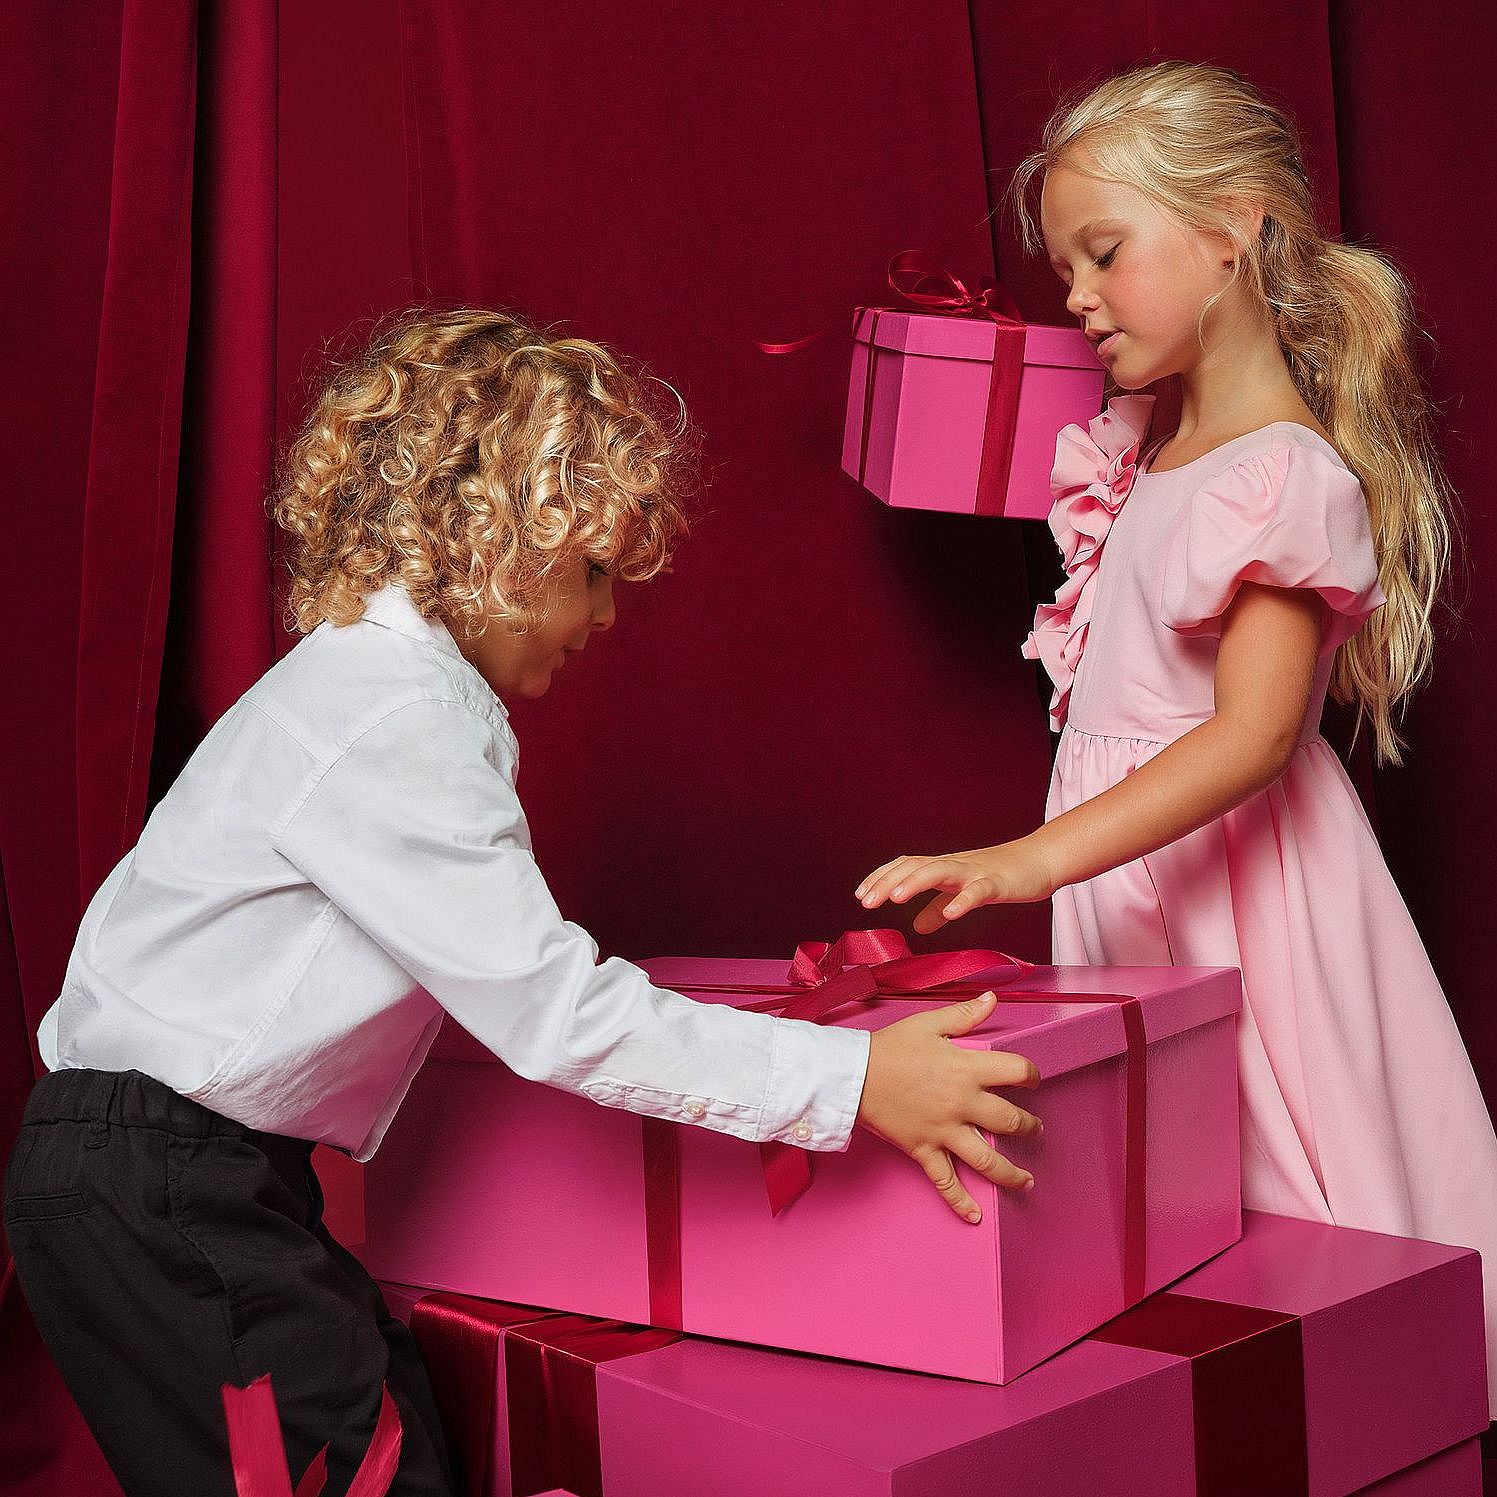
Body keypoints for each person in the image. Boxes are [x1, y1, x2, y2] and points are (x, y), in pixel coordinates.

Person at [2, 308, 1042, 1497]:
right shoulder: (394, 713)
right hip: (162, 1181)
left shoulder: (380, 695)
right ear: (489, 537)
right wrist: (854, 1082)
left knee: (388, 1436)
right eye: (593, 574)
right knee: (351, 1472)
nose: (605, 619)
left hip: (182, 1177)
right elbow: (556, 1009)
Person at [855, 60, 1497, 1418]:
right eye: (1067, 267)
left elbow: (1256, 738)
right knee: (1173, 1202)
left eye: (1104, 253)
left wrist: (1029, 859)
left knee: (1292, 1179)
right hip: (1131, 873)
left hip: (1239, 890)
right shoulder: (1138, 449)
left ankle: (1383, 1412)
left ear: (1233, 229)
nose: (1077, 296)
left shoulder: (1280, 471)